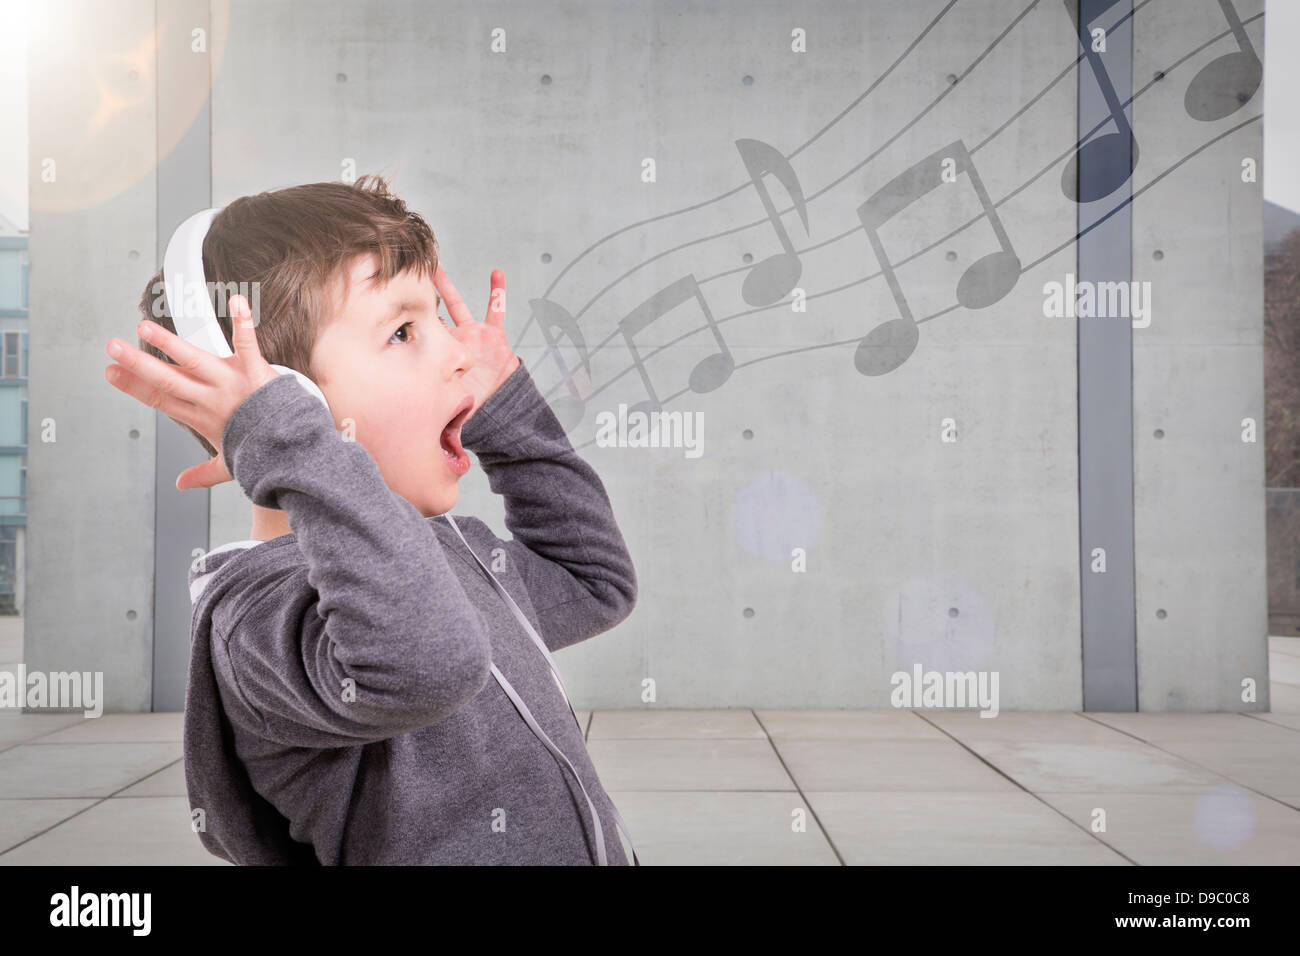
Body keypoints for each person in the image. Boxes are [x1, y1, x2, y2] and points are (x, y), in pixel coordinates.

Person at [103, 175, 638, 864]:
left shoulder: (453, 552)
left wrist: (505, 412)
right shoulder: (260, 621)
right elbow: (428, 667)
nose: (457, 354)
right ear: (289, 401)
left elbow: (591, 579)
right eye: (404, 331)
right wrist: (287, 444)